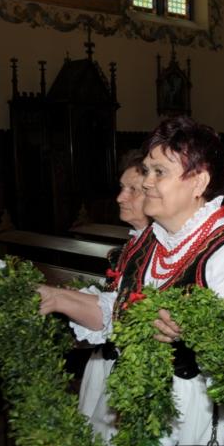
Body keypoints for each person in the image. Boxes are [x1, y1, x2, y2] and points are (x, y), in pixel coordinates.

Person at [38, 117, 224, 446]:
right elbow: (118, 313)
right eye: (146, 170)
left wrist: (194, 327)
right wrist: (57, 298)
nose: (146, 182)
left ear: (199, 181)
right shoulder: (151, 242)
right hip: (146, 409)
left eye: (159, 172)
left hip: (204, 418)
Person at [75, 150, 150, 423]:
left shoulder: (162, 253)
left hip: (134, 370)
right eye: (121, 188)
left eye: (132, 190)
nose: (120, 197)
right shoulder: (131, 245)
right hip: (105, 361)